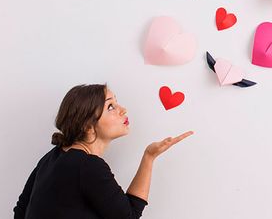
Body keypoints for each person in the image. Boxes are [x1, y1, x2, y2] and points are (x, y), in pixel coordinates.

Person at [13, 84, 193, 218]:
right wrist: (149, 157)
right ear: (88, 126)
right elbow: (128, 216)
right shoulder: (88, 166)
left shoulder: (53, 157)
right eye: (111, 107)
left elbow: (21, 212)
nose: (123, 110)